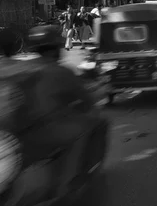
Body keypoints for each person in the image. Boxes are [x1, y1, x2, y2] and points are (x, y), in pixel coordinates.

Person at [24, 25, 102, 196]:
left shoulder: (24, 68)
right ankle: (67, 185)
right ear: (55, 49)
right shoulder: (61, 72)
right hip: (50, 128)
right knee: (82, 131)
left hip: (25, 131)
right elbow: (85, 97)